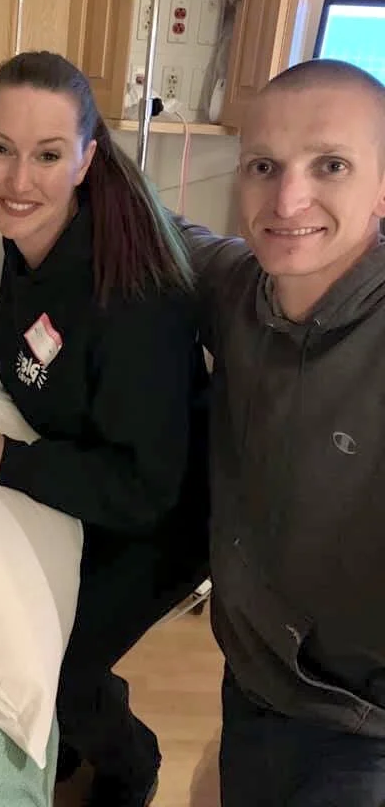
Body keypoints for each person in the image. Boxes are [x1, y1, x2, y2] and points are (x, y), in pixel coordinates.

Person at [0, 51, 210, 807]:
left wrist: (9, 461)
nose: (17, 181)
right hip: (80, 480)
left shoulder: (130, 303)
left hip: (159, 519)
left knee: (55, 667)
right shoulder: (16, 239)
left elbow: (147, 487)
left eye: (48, 155)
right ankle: (70, 740)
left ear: (87, 160)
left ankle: (133, 765)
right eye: (0, 149)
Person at [178, 58, 385, 806]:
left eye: (330, 165)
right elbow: (168, 230)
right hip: (254, 686)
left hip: (365, 732)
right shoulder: (239, 291)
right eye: (264, 166)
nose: (288, 198)